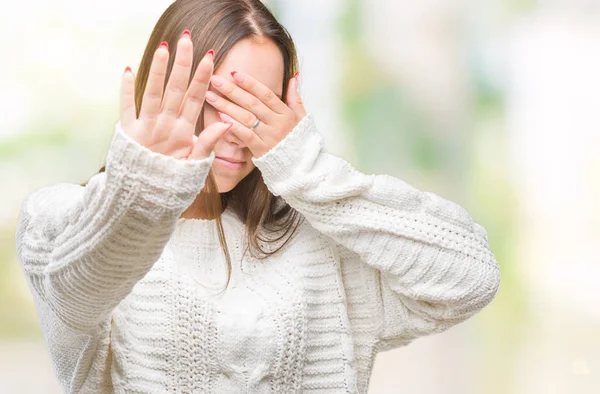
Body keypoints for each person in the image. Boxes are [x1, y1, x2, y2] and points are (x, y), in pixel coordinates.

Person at [14, 0, 501, 393]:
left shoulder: (316, 240)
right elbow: (83, 286)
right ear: (159, 89)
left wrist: (305, 168)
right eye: (214, 100)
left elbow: (470, 278)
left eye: (256, 108)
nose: (236, 133)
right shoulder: (59, 218)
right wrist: (147, 183)